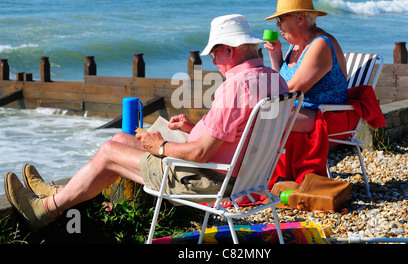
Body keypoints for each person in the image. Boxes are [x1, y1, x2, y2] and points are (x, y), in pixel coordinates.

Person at [4, 14, 288, 232]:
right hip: (249, 178)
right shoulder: (276, 81)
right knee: (118, 141)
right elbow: (242, 134)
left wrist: (161, 145)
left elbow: (201, 153)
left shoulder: (236, 86)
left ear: (230, 50)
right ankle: (61, 193)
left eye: (215, 53)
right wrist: (193, 129)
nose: (213, 61)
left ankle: (46, 210)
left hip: (209, 180)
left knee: (109, 151)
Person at [263, 0, 385, 187]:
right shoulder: (295, 46)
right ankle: (265, 178)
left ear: (300, 18)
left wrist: (255, 96)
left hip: (331, 116)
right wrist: (275, 55)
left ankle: (264, 180)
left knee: (266, 117)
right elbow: (282, 88)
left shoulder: (320, 45)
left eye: (281, 19)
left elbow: (290, 89)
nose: (278, 25)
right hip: (305, 112)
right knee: (263, 115)